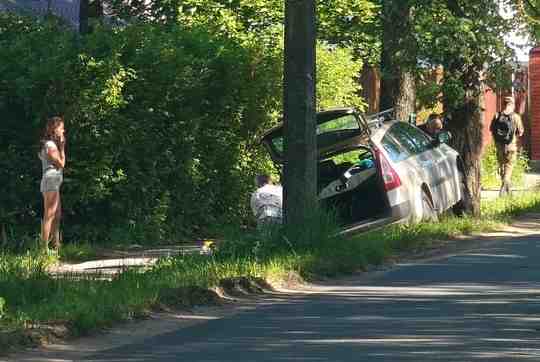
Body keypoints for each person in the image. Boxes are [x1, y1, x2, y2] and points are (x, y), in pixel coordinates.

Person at [39, 116, 66, 251]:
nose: (63, 131)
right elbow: (61, 164)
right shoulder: (50, 145)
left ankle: (56, 246)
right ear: (55, 130)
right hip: (50, 180)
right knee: (49, 214)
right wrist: (62, 147)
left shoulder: (51, 145)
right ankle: (44, 249)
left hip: (54, 181)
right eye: (61, 128)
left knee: (57, 214)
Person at [490, 96, 524, 196]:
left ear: (503, 104)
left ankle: (509, 192)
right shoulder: (516, 117)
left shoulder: (496, 116)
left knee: (502, 167)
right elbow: (521, 132)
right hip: (511, 147)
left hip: (500, 147)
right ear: (512, 104)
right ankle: (503, 189)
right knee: (509, 168)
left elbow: (491, 129)